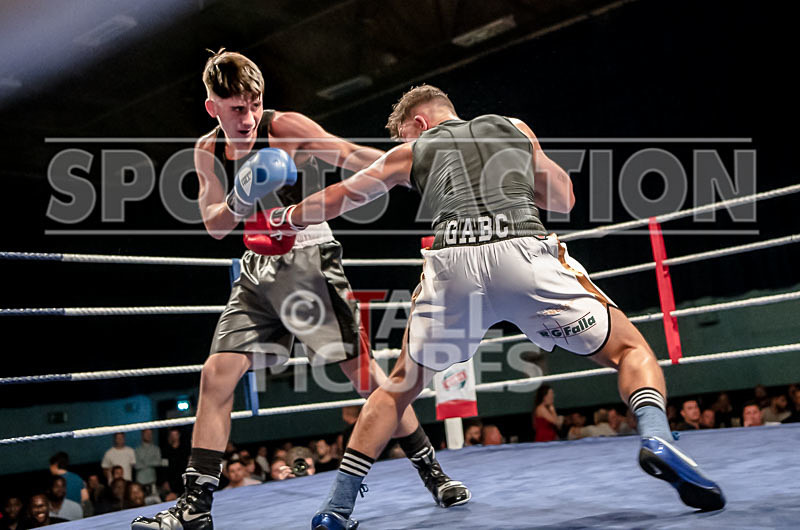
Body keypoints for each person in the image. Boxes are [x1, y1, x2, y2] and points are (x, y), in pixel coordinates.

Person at [263, 84, 726, 527]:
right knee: (631, 351)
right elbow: (563, 198)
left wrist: (285, 218)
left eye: (405, 134)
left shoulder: (412, 150)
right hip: (523, 251)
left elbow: (346, 195)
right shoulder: (514, 128)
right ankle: (658, 439)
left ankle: (336, 506)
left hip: (452, 262)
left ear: (419, 123)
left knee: (398, 387)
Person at [131, 51, 468, 530]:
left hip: (309, 258)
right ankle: (195, 509)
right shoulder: (205, 151)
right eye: (235, 108)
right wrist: (240, 194)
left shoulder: (285, 126)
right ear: (213, 108)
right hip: (255, 270)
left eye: (253, 104)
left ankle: (433, 473)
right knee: (216, 375)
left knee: (365, 378)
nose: (246, 117)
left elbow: (351, 157)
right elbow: (213, 224)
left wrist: (418, 163)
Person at [134, 429, 162, 496]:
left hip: (152, 481)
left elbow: (159, 462)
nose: (148, 436)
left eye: (150, 434)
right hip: (140, 481)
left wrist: (144, 462)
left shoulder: (156, 449)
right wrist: (151, 462)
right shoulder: (137, 450)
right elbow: (136, 465)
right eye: (146, 434)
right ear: (142, 435)